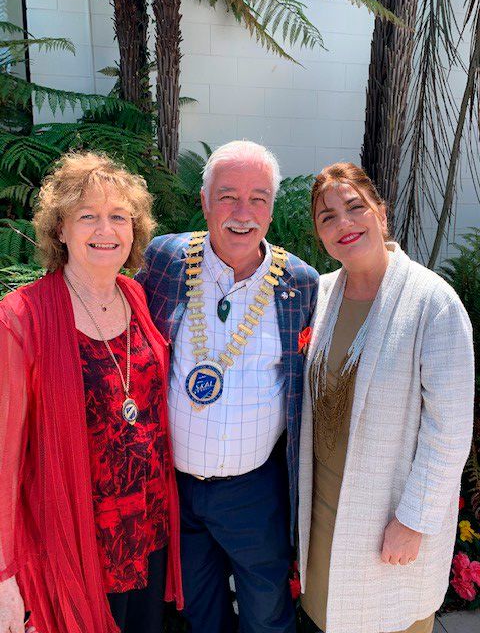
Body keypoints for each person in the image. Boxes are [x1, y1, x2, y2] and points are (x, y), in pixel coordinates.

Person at [136, 140, 319, 633]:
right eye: (228, 197)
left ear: (272, 208)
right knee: (198, 610)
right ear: (204, 201)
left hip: (253, 491)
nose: (243, 213)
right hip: (175, 487)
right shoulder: (166, 261)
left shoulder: (299, 284)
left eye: (258, 198)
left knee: (267, 613)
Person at [0, 152, 182, 633]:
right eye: (88, 216)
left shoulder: (136, 297)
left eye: (119, 216)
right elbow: (3, 457)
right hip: (73, 542)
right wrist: (4, 577)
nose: (106, 229)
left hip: (147, 532)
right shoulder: (21, 318)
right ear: (60, 230)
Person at [298, 162, 475, 633]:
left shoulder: (432, 302)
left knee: (389, 619)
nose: (344, 223)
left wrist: (414, 521)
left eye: (354, 207)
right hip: (323, 511)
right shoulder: (321, 293)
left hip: (388, 515)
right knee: (325, 616)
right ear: (320, 234)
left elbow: (450, 430)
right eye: (327, 217)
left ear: (380, 212)